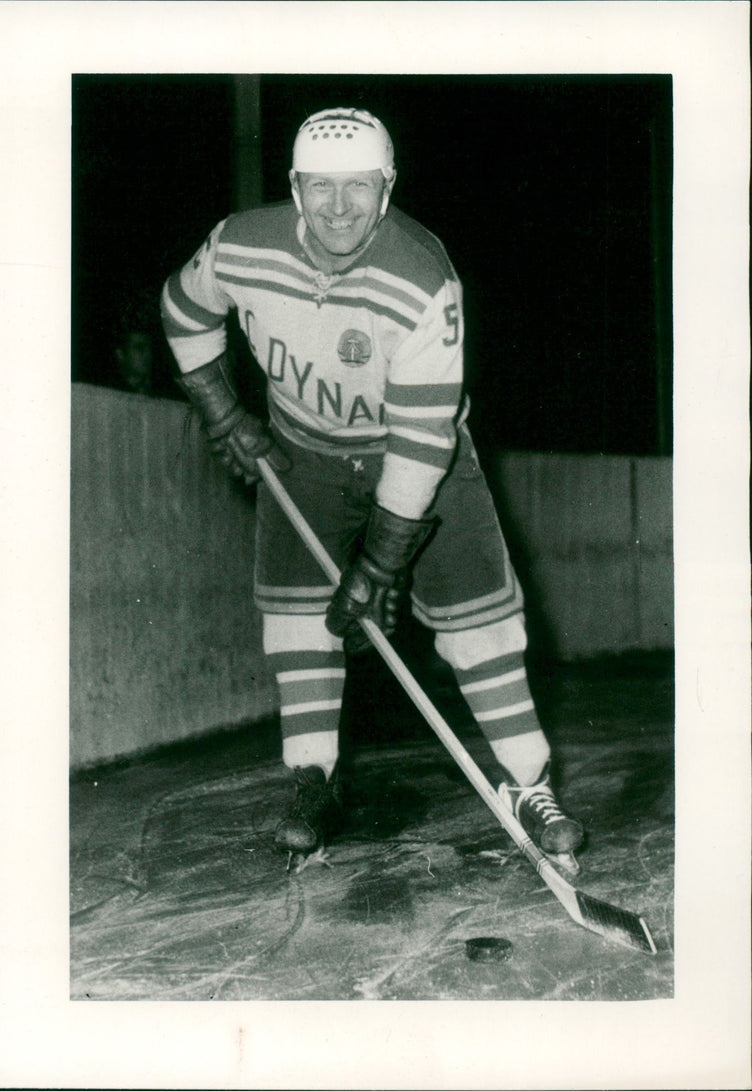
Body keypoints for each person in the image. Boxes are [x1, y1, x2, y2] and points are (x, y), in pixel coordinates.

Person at [161, 106, 584, 869]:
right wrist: (223, 412)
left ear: (386, 191)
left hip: (422, 455)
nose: (338, 208)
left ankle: (529, 783)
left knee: (478, 621)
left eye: (358, 188)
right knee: (297, 619)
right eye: (319, 188)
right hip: (304, 453)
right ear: (294, 188)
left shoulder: (424, 277)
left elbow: (423, 440)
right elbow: (184, 308)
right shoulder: (239, 244)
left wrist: (381, 562)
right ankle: (310, 779)